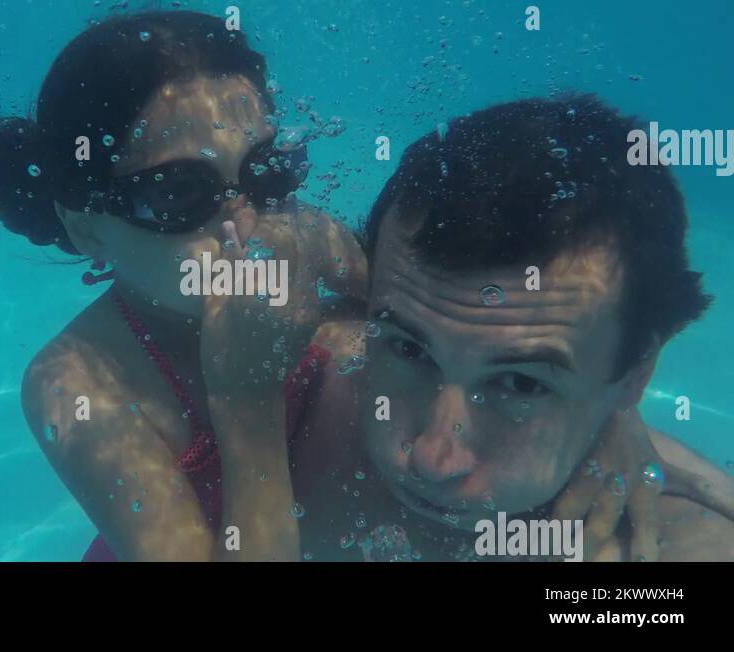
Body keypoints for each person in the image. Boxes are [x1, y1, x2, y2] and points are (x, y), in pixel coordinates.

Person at [206, 94, 734, 561]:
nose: (432, 459)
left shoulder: (674, 551)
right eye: (410, 350)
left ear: (635, 377)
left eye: (520, 383)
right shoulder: (277, 368)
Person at [0, 10, 363, 561]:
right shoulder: (79, 382)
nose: (242, 222)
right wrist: (247, 403)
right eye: (177, 193)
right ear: (86, 228)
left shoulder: (304, 236)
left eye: (265, 170)